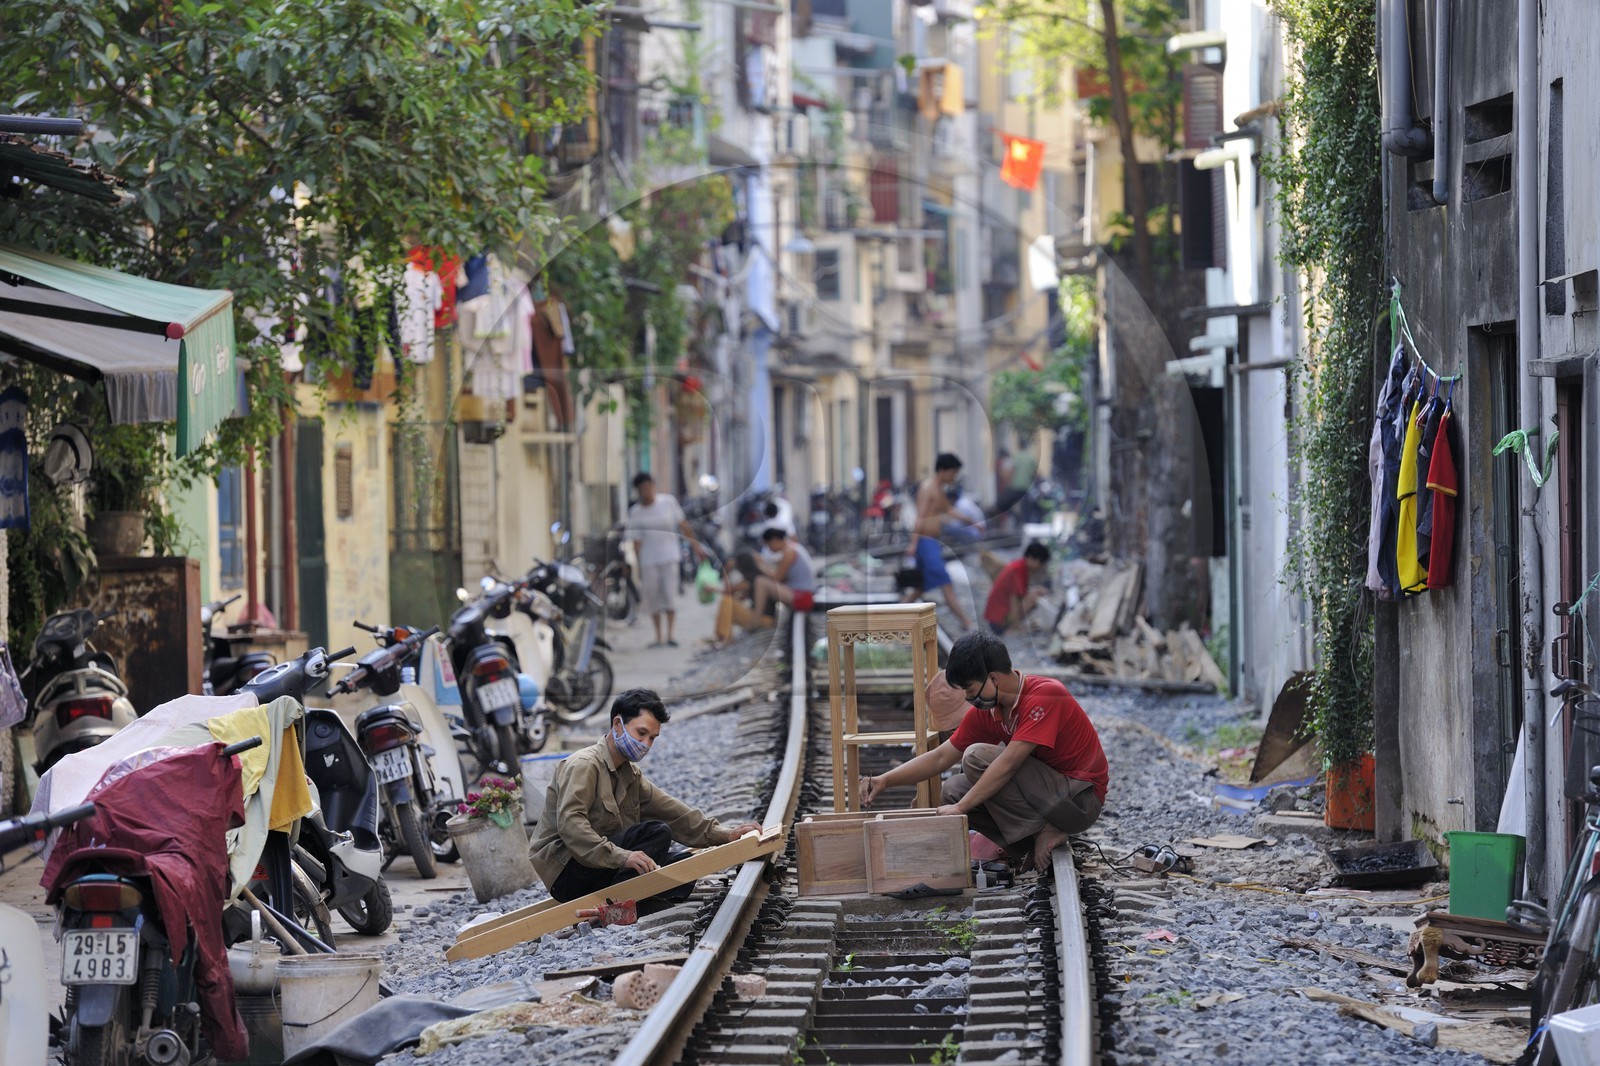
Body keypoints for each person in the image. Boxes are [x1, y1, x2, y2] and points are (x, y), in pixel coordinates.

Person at [858, 630, 1108, 871]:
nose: (969, 699)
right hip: (1048, 795)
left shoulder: (1044, 695)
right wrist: (884, 780)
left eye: (970, 690)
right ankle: (1027, 843)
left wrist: (962, 807)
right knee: (953, 791)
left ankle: (1044, 830)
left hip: (1080, 800)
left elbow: (1009, 763)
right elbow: (942, 756)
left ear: (993, 678)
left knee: (977, 756)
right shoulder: (991, 711)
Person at [530, 688, 761, 912]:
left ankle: (637, 897)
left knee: (682, 867)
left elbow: (673, 812)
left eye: (653, 738)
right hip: (568, 872)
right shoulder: (584, 765)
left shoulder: (629, 773)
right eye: (641, 734)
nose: (646, 745)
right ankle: (625, 903)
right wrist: (624, 857)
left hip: (597, 865)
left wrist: (726, 835)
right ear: (618, 725)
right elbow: (572, 827)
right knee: (657, 833)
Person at [626, 472, 703, 648]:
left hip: (670, 556)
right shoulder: (636, 512)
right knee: (653, 596)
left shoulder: (668, 502)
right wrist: (637, 565)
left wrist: (696, 547)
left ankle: (671, 634)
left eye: (649, 487)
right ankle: (658, 635)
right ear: (638, 491)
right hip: (648, 560)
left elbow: (684, 526)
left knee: (669, 594)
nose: (647, 491)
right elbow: (636, 542)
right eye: (643, 489)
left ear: (654, 486)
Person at [900, 453, 975, 630]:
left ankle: (895, 618)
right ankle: (967, 622)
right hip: (926, 544)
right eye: (952, 473)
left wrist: (971, 522)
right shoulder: (928, 489)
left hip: (930, 543)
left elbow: (949, 510)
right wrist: (913, 543)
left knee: (920, 587)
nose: (953, 477)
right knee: (945, 582)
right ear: (942, 471)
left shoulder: (938, 489)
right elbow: (920, 517)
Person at [983, 541, 1050, 635]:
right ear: (1032, 559)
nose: (1040, 567)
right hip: (998, 623)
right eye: (1040, 563)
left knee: (1035, 593)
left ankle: (1013, 626)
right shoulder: (1019, 570)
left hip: (995, 620)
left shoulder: (1018, 566)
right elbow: (1013, 600)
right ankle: (1012, 627)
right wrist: (1016, 626)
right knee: (1034, 596)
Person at [711, 551, 775, 647]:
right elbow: (740, 598)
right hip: (765, 618)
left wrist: (726, 571)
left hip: (765, 620)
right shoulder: (755, 577)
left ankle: (724, 637)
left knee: (726, 600)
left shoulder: (751, 579)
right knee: (729, 603)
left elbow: (728, 591)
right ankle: (723, 636)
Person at [753, 527, 816, 617]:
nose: (769, 549)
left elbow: (777, 578)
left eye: (769, 545)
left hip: (802, 597)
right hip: (802, 594)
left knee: (761, 582)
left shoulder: (789, 552)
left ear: (775, 541)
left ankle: (756, 619)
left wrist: (760, 565)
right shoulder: (794, 547)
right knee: (765, 582)